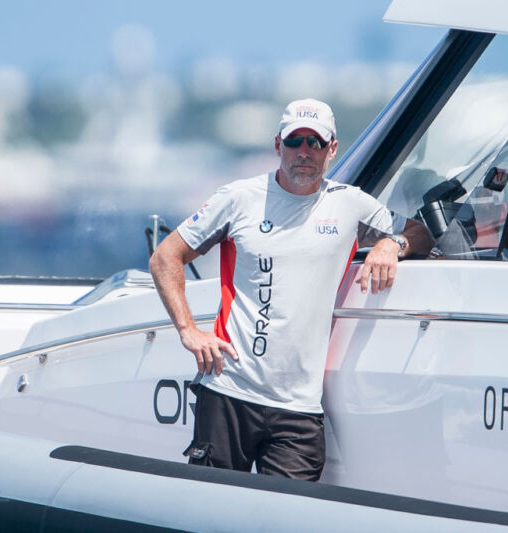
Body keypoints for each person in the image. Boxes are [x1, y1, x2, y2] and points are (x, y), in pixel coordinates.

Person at [149, 98, 432, 481]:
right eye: (295, 140)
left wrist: (390, 245)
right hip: (230, 390)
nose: (304, 152)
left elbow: (420, 233)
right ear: (277, 144)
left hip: (299, 409)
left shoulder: (350, 204)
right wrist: (188, 331)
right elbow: (166, 257)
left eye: (314, 143)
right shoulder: (238, 198)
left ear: (331, 149)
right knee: (212, 515)